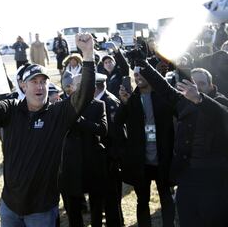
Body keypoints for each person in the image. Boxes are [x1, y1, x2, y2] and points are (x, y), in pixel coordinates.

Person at [0, 33, 96, 226]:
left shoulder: (58, 114)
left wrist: (88, 54)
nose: (39, 86)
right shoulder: (11, 110)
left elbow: (84, 95)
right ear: (23, 86)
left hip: (41, 209)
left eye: (43, 81)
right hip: (10, 207)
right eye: (34, 81)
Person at [137, 59, 228, 227]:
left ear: (211, 85)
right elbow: (163, 88)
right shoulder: (183, 102)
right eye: (192, 84)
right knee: (187, 219)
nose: (196, 88)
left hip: (214, 178)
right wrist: (143, 64)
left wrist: (200, 99)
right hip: (187, 175)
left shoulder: (220, 101)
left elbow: (222, 115)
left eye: (201, 84)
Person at [116, 67, 176, 227]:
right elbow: (117, 123)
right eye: (135, 74)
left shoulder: (163, 96)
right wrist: (124, 103)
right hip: (141, 161)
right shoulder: (132, 98)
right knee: (142, 200)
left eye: (141, 73)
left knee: (166, 196)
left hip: (162, 158)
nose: (138, 77)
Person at [58, 73, 108, 227]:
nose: (81, 88)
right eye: (78, 84)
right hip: (70, 164)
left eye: (85, 85)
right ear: (71, 87)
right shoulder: (62, 106)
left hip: (92, 162)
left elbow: (103, 129)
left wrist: (81, 121)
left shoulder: (99, 105)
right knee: (73, 207)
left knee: (96, 204)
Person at [95, 73, 125, 227]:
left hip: (110, 161)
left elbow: (116, 135)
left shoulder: (109, 102)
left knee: (112, 200)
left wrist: (113, 160)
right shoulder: (101, 100)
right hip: (103, 160)